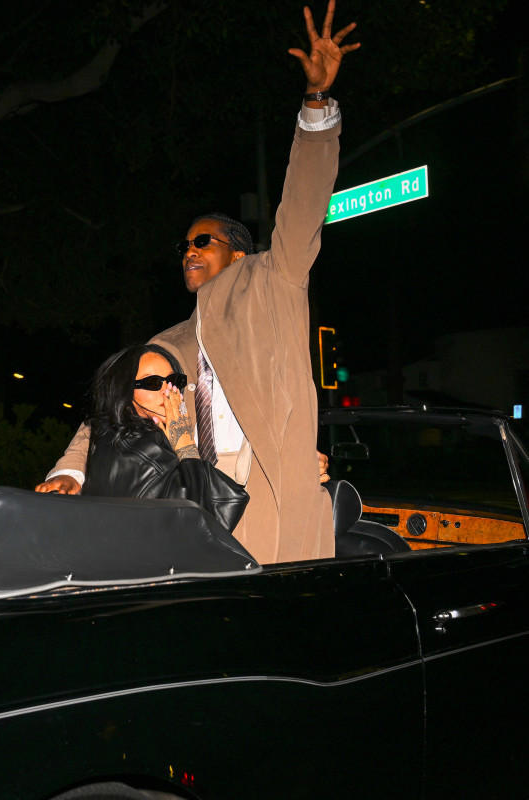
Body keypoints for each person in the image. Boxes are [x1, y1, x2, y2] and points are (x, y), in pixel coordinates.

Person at [37, 1, 359, 563]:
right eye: (183, 244)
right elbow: (113, 409)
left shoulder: (272, 279)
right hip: (199, 507)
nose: (188, 250)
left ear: (237, 251)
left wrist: (315, 105)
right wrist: (70, 470)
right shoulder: (173, 342)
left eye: (202, 240)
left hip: (268, 501)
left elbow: (303, 205)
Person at [81, 343, 248, 533]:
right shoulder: (144, 448)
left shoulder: (110, 443)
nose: (167, 391)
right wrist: (186, 446)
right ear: (123, 391)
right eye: (152, 383)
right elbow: (203, 526)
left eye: (173, 381)